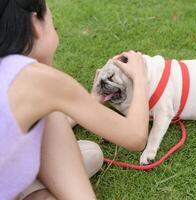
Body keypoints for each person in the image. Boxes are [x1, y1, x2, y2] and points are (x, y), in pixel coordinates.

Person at [0, 0, 149, 199]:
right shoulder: (39, 80)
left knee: (90, 152)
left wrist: (90, 102)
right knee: (88, 153)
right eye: (54, 25)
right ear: (35, 24)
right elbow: (136, 136)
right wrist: (140, 77)